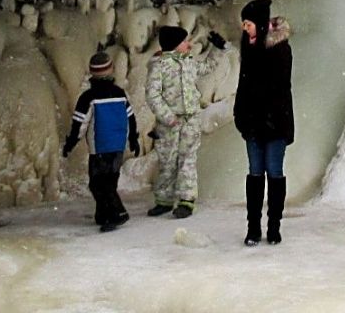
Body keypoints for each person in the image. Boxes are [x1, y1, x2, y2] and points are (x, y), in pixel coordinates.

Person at [145, 25, 227, 219]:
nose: (189, 45)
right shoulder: (159, 66)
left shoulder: (188, 62)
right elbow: (152, 95)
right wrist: (168, 117)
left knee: (188, 160)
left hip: (191, 119)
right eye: (184, 42)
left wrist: (218, 49)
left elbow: (207, 67)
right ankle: (164, 200)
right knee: (168, 161)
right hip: (170, 123)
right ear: (173, 45)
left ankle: (186, 200)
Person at [234, 0, 294, 246]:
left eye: (247, 23)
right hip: (253, 123)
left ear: (259, 24)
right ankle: (253, 227)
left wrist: (269, 118)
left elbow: (277, 87)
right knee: (255, 173)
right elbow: (244, 84)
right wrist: (240, 114)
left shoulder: (280, 49)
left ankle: (274, 226)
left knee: (275, 172)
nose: (244, 28)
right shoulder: (248, 46)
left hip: (275, 123)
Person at [61, 51, 141, 232]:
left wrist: (71, 143)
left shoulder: (89, 97)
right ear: (111, 70)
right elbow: (131, 118)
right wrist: (133, 138)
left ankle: (118, 213)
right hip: (118, 146)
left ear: (92, 73)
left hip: (100, 147)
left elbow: (80, 124)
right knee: (110, 181)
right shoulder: (120, 93)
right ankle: (103, 214)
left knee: (98, 184)